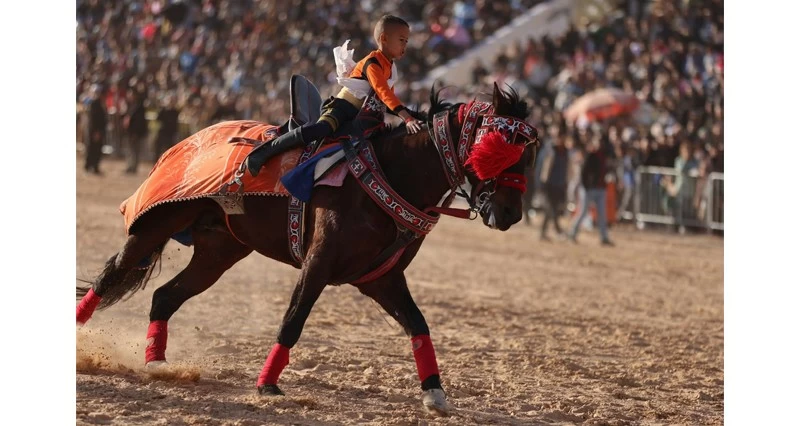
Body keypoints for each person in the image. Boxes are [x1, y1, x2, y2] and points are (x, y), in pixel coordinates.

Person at [245, 14, 423, 177]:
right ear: (383, 38)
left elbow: (388, 103)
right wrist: (407, 118)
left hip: (359, 116)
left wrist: (419, 116)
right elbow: (384, 93)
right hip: (342, 108)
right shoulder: (373, 63)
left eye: (406, 41)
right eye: (401, 40)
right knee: (323, 129)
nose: (404, 46)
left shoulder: (390, 68)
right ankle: (264, 152)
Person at [568, 137, 614, 246]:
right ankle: (572, 233)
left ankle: (604, 237)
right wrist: (586, 186)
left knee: (602, 214)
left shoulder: (604, 156)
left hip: (600, 188)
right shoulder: (590, 156)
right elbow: (583, 173)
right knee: (582, 212)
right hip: (589, 189)